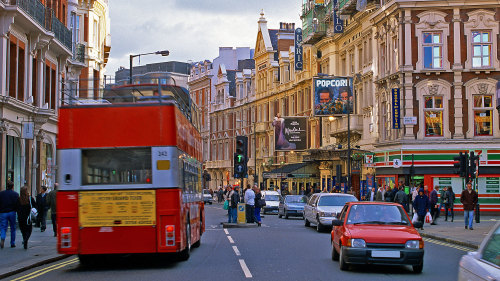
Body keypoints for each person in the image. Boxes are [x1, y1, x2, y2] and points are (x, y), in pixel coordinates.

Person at [0, 180, 19, 248]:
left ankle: (2, 237)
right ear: (12, 187)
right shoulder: (15, 194)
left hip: (3, 213)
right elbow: (17, 204)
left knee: (3, 227)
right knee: (13, 228)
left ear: (6, 186)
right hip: (12, 212)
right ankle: (12, 243)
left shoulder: (1, 194)